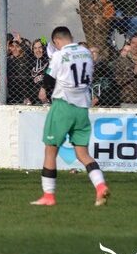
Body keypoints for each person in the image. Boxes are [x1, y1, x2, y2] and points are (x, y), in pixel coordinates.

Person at [31, 26, 110, 207]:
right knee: (83, 153)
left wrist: (46, 90)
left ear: (56, 41)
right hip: (82, 107)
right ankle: (100, 186)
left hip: (63, 105)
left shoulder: (59, 55)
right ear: (71, 37)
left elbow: (48, 79)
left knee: (51, 150)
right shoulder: (86, 53)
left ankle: (48, 196)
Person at [114, 35, 137, 106]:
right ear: (130, 44)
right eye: (133, 43)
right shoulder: (122, 60)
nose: (135, 46)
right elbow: (118, 81)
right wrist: (133, 73)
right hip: (126, 100)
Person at [25, 40, 50, 105]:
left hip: (48, 95)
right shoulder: (30, 62)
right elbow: (28, 83)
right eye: (35, 48)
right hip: (34, 97)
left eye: (40, 47)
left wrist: (42, 38)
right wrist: (28, 97)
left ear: (44, 49)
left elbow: (50, 79)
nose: (37, 50)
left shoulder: (49, 61)